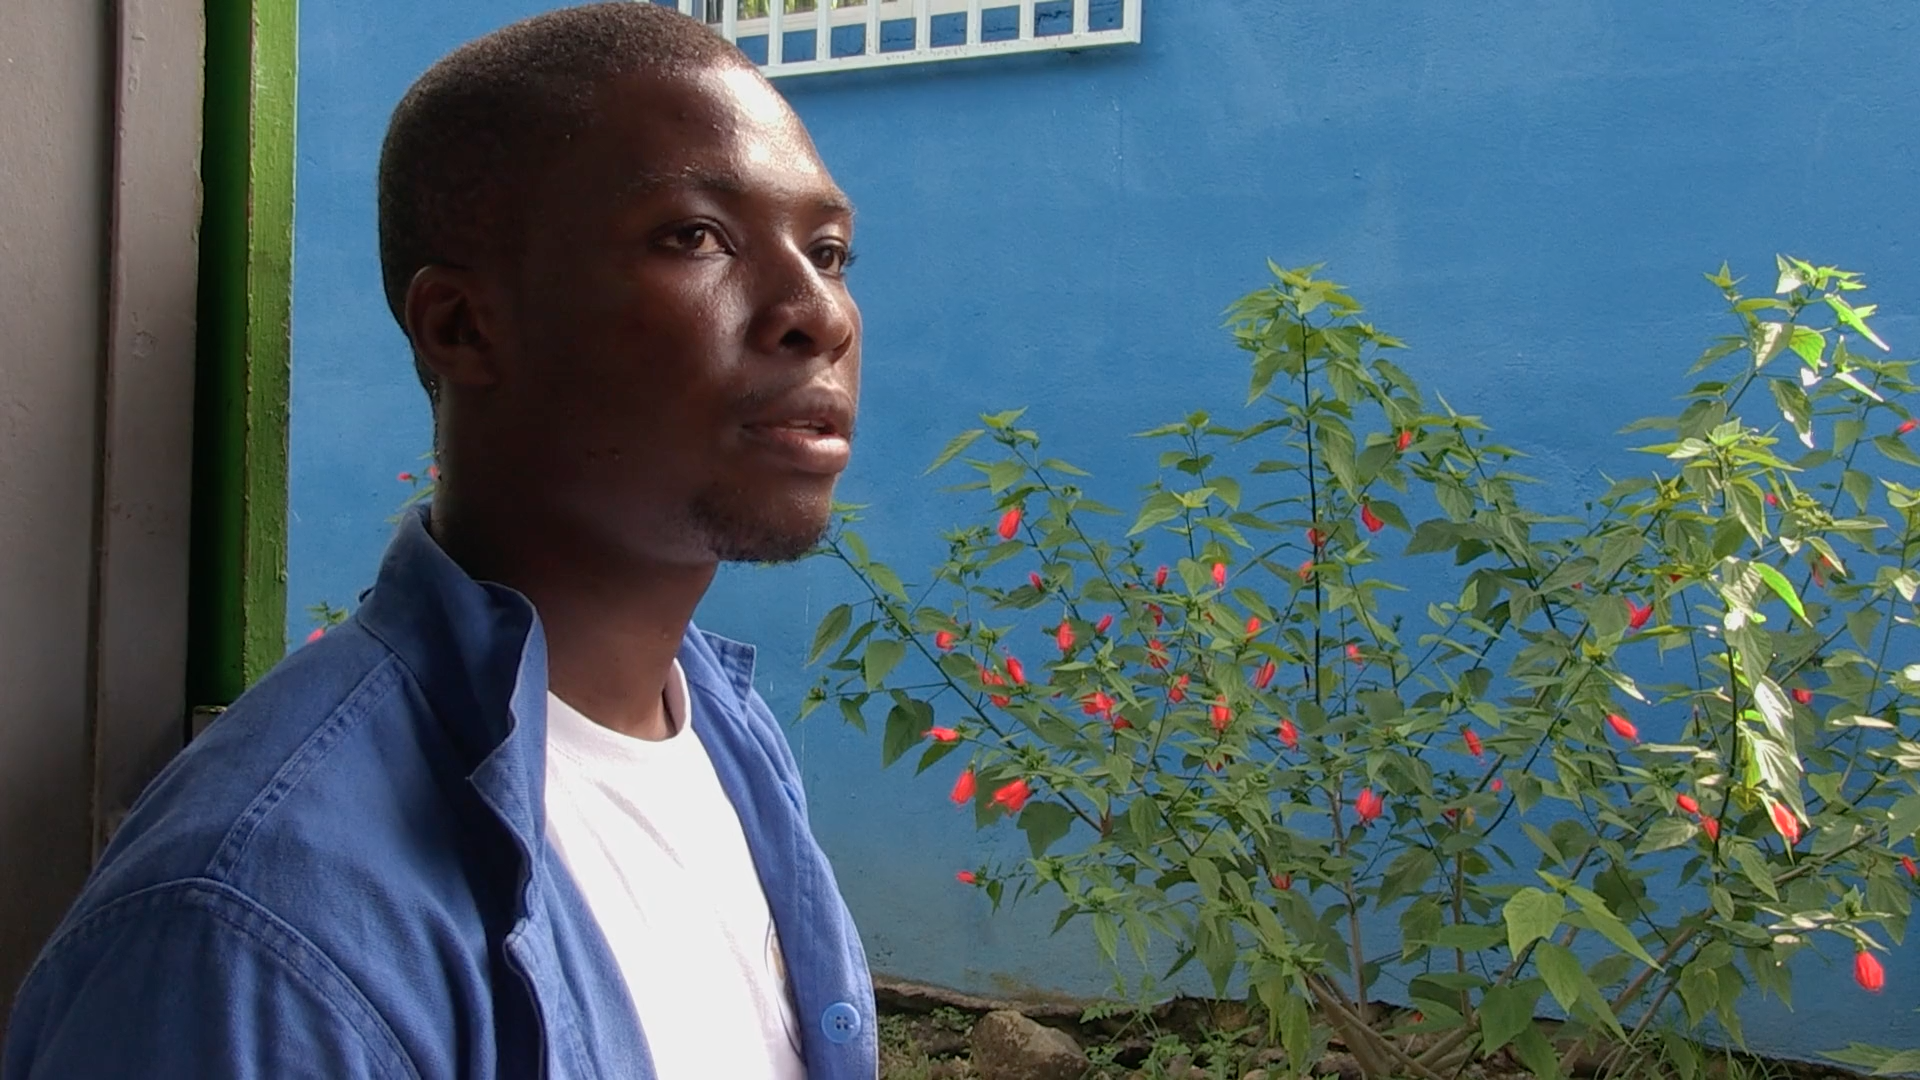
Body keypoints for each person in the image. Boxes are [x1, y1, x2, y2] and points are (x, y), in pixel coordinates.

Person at [2, 4, 872, 1077]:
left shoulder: (724, 736)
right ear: (461, 325)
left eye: (829, 252)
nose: (819, 313)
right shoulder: (251, 929)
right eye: (696, 236)